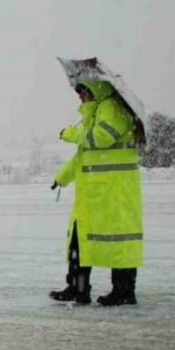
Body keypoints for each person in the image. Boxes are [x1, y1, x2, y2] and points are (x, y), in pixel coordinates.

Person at [49, 80, 143, 306]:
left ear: (95, 89)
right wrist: (62, 177)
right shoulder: (97, 112)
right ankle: (78, 289)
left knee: (119, 241)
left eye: (83, 91)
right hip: (96, 193)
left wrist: (70, 133)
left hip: (113, 192)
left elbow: (100, 138)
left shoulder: (113, 108)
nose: (80, 96)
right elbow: (83, 156)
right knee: (80, 241)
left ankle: (123, 291)